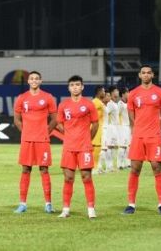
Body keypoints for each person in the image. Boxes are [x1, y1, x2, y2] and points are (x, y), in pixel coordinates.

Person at [123, 65, 161, 215]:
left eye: (149, 73)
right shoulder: (134, 94)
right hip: (138, 136)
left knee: (157, 167)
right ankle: (131, 204)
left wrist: (156, 128)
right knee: (135, 168)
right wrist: (137, 128)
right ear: (139, 75)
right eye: (143, 73)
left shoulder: (160, 93)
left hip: (154, 136)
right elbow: (131, 113)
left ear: (153, 75)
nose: (146, 75)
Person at [12, 71, 57, 214]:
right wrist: (25, 132)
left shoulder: (48, 97)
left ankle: (48, 204)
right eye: (31, 78)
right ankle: (22, 204)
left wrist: (45, 132)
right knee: (25, 170)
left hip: (42, 140)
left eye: (37, 78)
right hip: (27, 140)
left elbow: (54, 119)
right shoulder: (21, 98)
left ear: (41, 81)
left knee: (44, 170)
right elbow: (16, 119)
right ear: (28, 81)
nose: (34, 80)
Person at [55, 75, 99, 219]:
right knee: (68, 178)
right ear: (69, 88)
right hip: (69, 147)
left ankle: (91, 209)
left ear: (82, 87)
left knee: (86, 177)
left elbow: (95, 124)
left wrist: (87, 139)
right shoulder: (63, 105)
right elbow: (59, 123)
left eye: (77, 84)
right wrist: (68, 134)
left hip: (84, 146)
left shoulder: (88, 104)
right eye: (72, 85)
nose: (75, 87)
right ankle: (66, 209)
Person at [91, 86, 106, 172]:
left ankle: (97, 166)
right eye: (103, 91)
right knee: (96, 146)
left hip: (100, 127)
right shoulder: (95, 102)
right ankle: (94, 167)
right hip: (96, 127)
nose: (104, 93)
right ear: (99, 92)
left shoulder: (99, 102)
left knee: (99, 147)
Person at [117, 87, 131, 169]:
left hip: (128, 127)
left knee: (128, 146)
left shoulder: (128, 104)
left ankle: (127, 163)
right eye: (127, 92)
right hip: (122, 127)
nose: (129, 94)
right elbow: (116, 115)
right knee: (122, 146)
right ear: (123, 94)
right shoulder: (120, 104)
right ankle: (119, 164)